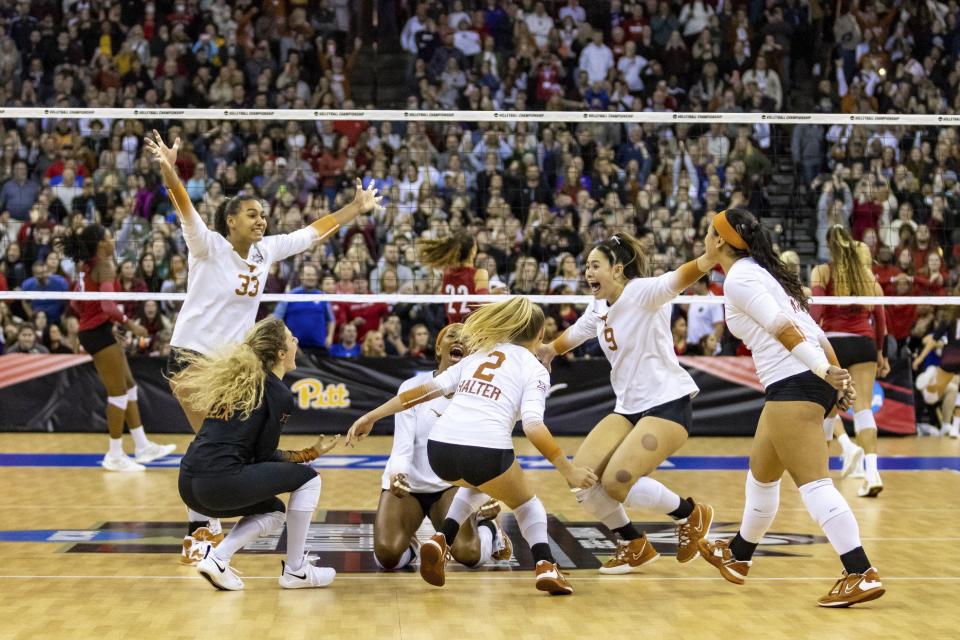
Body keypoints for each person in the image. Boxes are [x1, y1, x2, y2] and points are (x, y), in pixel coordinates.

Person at [145, 130, 381, 562]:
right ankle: (200, 532)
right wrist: (168, 167)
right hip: (193, 357)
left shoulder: (266, 251)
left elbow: (313, 232)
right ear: (230, 221)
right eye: (251, 215)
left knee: (220, 443)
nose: (261, 220)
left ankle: (208, 527)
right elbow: (183, 204)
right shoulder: (208, 247)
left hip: (234, 365)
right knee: (212, 441)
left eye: (263, 215)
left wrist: (356, 208)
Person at [697, 208, 884, 608]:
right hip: (802, 378)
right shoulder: (761, 273)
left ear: (720, 241)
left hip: (794, 380)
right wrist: (836, 377)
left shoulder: (743, 279)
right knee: (761, 476)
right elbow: (814, 331)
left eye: (709, 232)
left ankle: (860, 572)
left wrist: (825, 370)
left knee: (814, 485)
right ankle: (740, 555)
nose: (704, 238)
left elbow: (786, 328)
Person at [347, 297, 597, 595]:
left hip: (439, 451)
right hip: (485, 449)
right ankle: (546, 564)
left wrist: (371, 416)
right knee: (527, 503)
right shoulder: (534, 368)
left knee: (475, 481)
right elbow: (532, 425)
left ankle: (441, 539)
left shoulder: (476, 357)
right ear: (540, 334)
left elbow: (419, 393)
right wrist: (567, 469)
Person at [538, 232, 715, 574]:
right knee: (582, 478)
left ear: (617, 269)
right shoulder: (598, 306)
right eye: (586, 266)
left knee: (618, 481)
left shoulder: (642, 292)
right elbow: (575, 334)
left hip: (667, 403)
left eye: (595, 266)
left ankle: (690, 514)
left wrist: (708, 259)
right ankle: (632, 543)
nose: (587, 273)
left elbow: (678, 277)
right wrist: (547, 351)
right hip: (628, 408)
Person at [173, 317, 341, 591]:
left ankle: (218, 559)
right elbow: (263, 456)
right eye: (290, 338)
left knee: (274, 511)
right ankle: (296, 570)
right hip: (218, 482)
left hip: (189, 485)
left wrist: (305, 453)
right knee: (310, 479)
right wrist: (307, 454)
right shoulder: (277, 392)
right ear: (281, 354)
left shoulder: (240, 382)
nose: (296, 341)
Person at [373, 323, 511, 571]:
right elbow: (401, 448)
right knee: (387, 556)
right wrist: (397, 476)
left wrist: (485, 493)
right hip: (410, 485)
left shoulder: (479, 395)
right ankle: (412, 545)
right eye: (451, 335)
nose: (459, 339)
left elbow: (483, 453)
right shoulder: (412, 387)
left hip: (450, 486)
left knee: (469, 554)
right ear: (439, 347)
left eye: (466, 338)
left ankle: (491, 531)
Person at [59, 223, 175, 472]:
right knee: (118, 393)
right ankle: (114, 454)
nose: (114, 241)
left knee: (129, 386)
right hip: (97, 334)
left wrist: (98, 322)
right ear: (101, 244)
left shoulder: (86, 266)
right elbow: (109, 307)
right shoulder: (105, 266)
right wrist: (132, 326)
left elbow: (76, 303)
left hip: (95, 331)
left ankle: (142, 447)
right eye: (110, 237)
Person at [811, 225, 889, 497]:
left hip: (833, 344)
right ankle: (872, 474)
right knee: (864, 409)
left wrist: (807, 341)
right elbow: (880, 318)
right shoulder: (869, 276)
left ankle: (819, 477)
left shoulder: (822, 271)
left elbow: (817, 310)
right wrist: (881, 353)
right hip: (864, 343)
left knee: (828, 410)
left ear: (828, 246)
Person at [418, 232, 489, 324]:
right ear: (473, 251)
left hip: (452, 329)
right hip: (471, 330)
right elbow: (483, 305)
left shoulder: (446, 274)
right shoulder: (480, 274)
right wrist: (494, 298)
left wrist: (490, 294)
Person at [273, 263, 336, 360]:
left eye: (313, 275)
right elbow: (277, 320)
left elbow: (331, 320)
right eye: (308, 275)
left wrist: (330, 336)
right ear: (301, 277)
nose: (311, 277)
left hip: (319, 348)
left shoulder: (322, 296)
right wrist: (290, 341)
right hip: (295, 349)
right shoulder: (290, 296)